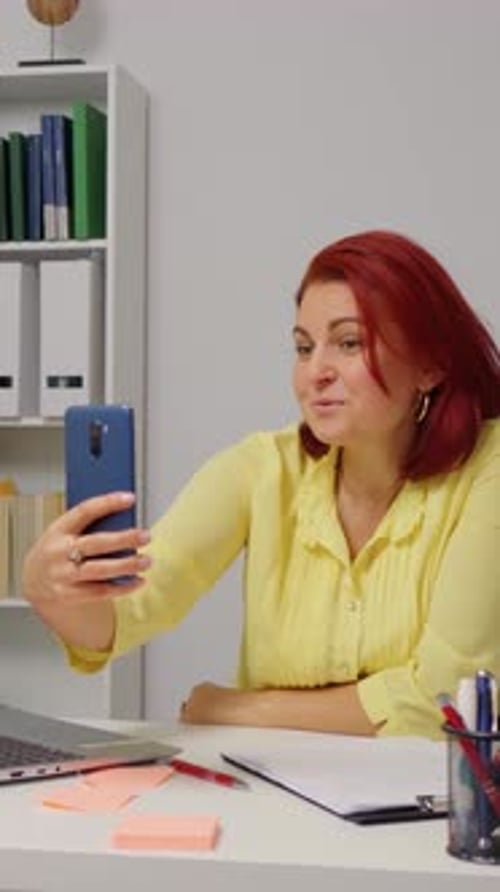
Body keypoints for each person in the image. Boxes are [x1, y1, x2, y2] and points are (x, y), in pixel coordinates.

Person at [23, 230, 500, 740]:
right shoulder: (259, 469)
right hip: (276, 795)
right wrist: (48, 590)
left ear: (430, 364)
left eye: (348, 343)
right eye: (303, 347)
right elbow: (128, 613)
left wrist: (234, 708)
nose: (315, 372)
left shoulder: (488, 467)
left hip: (435, 805)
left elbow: (445, 700)